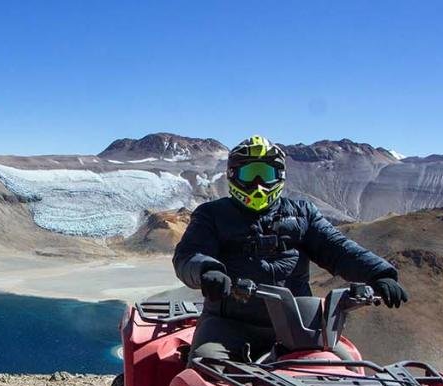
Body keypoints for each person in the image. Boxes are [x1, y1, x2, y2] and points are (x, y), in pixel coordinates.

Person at [173, 135, 408, 362]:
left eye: (266, 174)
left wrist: (379, 273)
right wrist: (206, 270)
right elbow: (188, 254)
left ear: (280, 176)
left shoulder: (303, 214)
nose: (258, 183)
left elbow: (339, 248)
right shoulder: (212, 214)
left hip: (299, 327)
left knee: (347, 371)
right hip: (229, 326)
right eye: (250, 173)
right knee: (206, 370)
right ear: (234, 176)